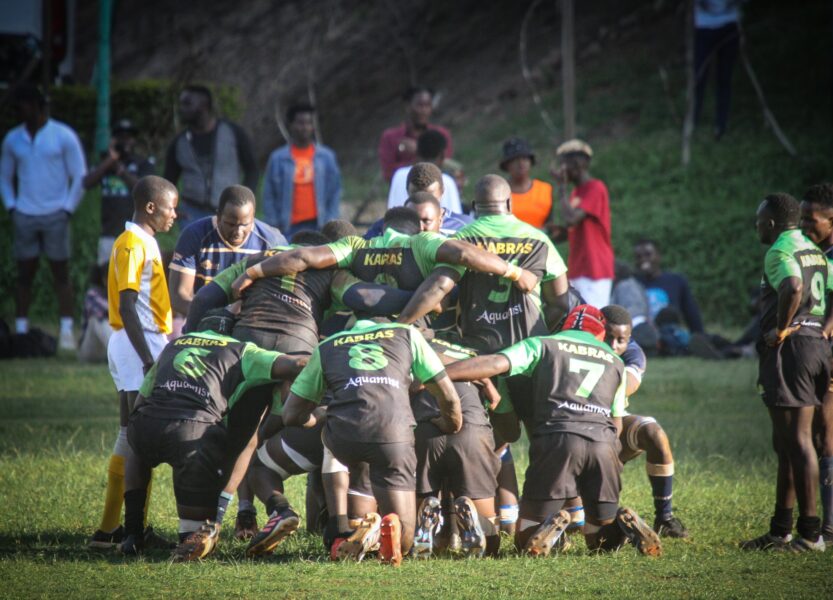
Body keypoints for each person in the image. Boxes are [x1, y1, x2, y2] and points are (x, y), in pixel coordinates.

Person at [444, 305, 662, 557]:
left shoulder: (543, 344)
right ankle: (622, 529)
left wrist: (437, 375)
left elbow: (495, 363)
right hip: (602, 445)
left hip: (558, 441)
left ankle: (548, 530)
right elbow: (617, 424)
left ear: (566, 328)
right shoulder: (614, 361)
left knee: (525, 538)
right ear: (600, 335)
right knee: (598, 539)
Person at [119, 317, 307, 559]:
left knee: (137, 444)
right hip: (192, 436)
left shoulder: (175, 344)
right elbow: (298, 364)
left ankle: (132, 534)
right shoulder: (243, 350)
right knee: (193, 536)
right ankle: (208, 529)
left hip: (145, 427)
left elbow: (140, 402)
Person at [281, 318, 463, 565]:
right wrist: (451, 424)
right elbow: (448, 397)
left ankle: (348, 524)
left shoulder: (328, 346)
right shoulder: (406, 333)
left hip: (345, 439)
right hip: (393, 436)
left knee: (332, 438)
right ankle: (386, 528)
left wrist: (318, 417)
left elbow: (290, 414)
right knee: (405, 539)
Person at [88, 176, 178, 549]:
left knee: (135, 436)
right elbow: (127, 306)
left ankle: (126, 530)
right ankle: (115, 531)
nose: (175, 213)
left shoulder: (147, 241)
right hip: (135, 344)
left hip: (146, 342)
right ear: (151, 207)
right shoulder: (129, 244)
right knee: (133, 434)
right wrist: (147, 359)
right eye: (171, 206)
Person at [741, 193, 832, 552]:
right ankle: (781, 530)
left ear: (773, 224)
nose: (757, 227)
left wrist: (781, 327)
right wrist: (820, 329)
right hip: (817, 348)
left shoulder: (781, 249)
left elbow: (793, 286)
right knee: (787, 442)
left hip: (792, 350)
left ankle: (810, 534)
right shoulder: (814, 250)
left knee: (798, 441)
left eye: (760, 221)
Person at [0, 83, 87, 350]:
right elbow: (4, 176)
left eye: (25, 105)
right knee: (24, 273)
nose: (20, 111)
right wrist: (12, 206)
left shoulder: (63, 135)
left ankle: (65, 332)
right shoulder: (13, 139)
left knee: (60, 273)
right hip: (25, 213)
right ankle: (22, 329)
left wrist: (67, 209)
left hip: (55, 214)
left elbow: (79, 175)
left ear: (38, 107)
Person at [601, 304, 689, 538]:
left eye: (621, 340)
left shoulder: (633, 352)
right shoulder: (583, 343)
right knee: (588, 518)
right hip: (577, 428)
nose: (614, 346)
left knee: (653, 432)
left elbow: (629, 383)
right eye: (608, 337)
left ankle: (665, 517)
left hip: (611, 423)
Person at [168, 185, 285, 318]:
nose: (238, 232)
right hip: (202, 322)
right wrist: (214, 319)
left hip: (248, 323)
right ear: (218, 216)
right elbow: (179, 296)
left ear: (253, 217)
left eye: (245, 225)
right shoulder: (194, 235)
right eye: (231, 224)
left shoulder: (272, 241)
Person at [163, 84, 258, 228]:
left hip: (228, 211)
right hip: (191, 212)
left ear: (203, 105)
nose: (181, 108)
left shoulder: (233, 133)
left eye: (187, 103)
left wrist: (246, 202)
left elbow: (252, 169)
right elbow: (168, 181)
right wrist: (171, 208)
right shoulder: (179, 142)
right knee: (194, 251)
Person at [798, 182, 833, 543]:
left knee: (824, 433)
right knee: (820, 433)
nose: (806, 225)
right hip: (816, 352)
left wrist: (823, 333)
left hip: (825, 351)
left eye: (813, 219)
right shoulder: (810, 252)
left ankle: (826, 527)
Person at [83, 118, 156, 265]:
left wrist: (120, 170)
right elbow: (87, 182)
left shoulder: (143, 163)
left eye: (129, 137)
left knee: (135, 278)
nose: (126, 141)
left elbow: (145, 190)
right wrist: (110, 161)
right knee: (108, 277)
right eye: (121, 137)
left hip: (136, 232)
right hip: (109, 232)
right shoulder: (105, 163)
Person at [550, 139, 613, 309]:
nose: (561, 170)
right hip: (579, 266)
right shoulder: (577, 193)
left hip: (594, 268)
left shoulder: (595, 188)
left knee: (592, 323)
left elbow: (571, 218)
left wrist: (561, 187)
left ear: (577, 164)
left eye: (563, 165)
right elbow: (574, 225)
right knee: (578, 322)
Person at [262, 103, 342, 236]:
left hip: (319, 226)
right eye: (300, 123)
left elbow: (335, 191)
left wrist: (330, 221)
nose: (305, 127)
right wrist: (273, 224)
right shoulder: (278, 158)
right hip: (287, 228)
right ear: (291, 125)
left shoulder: (326, 157)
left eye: (309, 123)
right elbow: (268, 194)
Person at [365, 162, 470, 238]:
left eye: (429, 196)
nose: (422, 201)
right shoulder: (385, 228)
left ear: (442, 192)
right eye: (415, 194)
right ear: (407, 191)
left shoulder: (464, 227)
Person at [378, 86, 453, 183]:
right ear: (408, 106)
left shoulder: (441, 134)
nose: (424, 110)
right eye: (420, 105)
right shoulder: (390, 137)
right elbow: (388, 174)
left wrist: (418, 151)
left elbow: (447, 167)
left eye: (428, 105)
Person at [694, 0, 741, 140]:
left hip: (729, 26)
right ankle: (693, 121)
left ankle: (721, 125)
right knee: (698, 77)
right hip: (703, 27)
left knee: (724, 78)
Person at [388, 131, 462, 214]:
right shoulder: (446, 181)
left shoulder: (399, 175)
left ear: (417, 152)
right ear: (442, 155)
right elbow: (455, 219)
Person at [500, 137, 554, 229]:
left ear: (530, 161)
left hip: (539, 242)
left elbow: (550, 225)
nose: (521, 163)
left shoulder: (545, 190)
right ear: (507, 165)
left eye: (524, 158)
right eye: (515, 159)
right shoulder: (498, 194)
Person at [78, 263, 113, 363]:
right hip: (90, 351)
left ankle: (121, 355)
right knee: (96, 320)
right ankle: (119, 355)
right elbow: (107, 312)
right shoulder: (93, 294)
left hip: (109, 349)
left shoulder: (124, 295)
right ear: (104, 279)